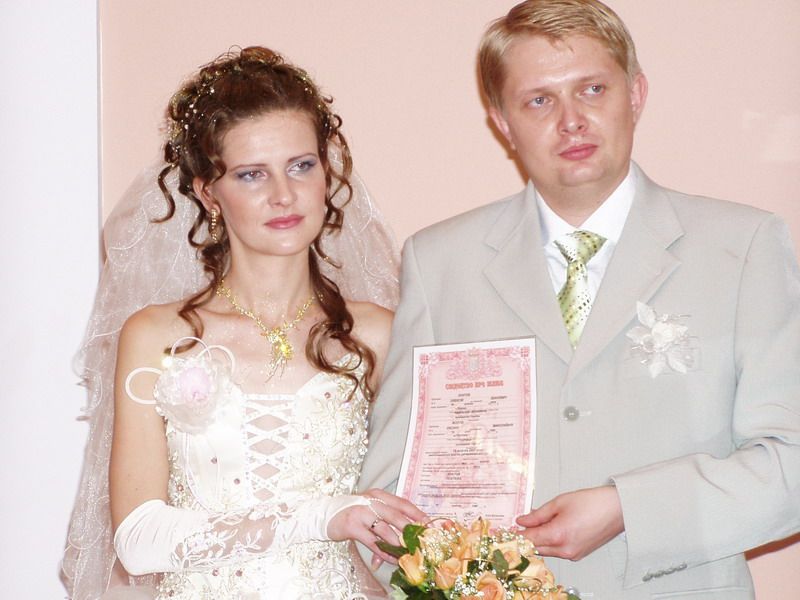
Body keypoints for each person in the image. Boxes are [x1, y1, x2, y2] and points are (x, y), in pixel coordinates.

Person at [359, 1, 800, 598]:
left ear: (636, 94)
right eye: (539, 100)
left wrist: (629, 507)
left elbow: (791, 466)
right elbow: (390, 501)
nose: (571, 121)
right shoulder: (439, 263)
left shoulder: (742, 247)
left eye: (592, 89)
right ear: (502, 122)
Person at [62, 46, 424, 600]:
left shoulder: (377, 334)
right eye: (252, 175)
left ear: (326, 173)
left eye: (301, 166)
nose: (284, 194)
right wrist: (321, 517)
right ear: (208, 192)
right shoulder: (158, 336)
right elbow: (138, 541)